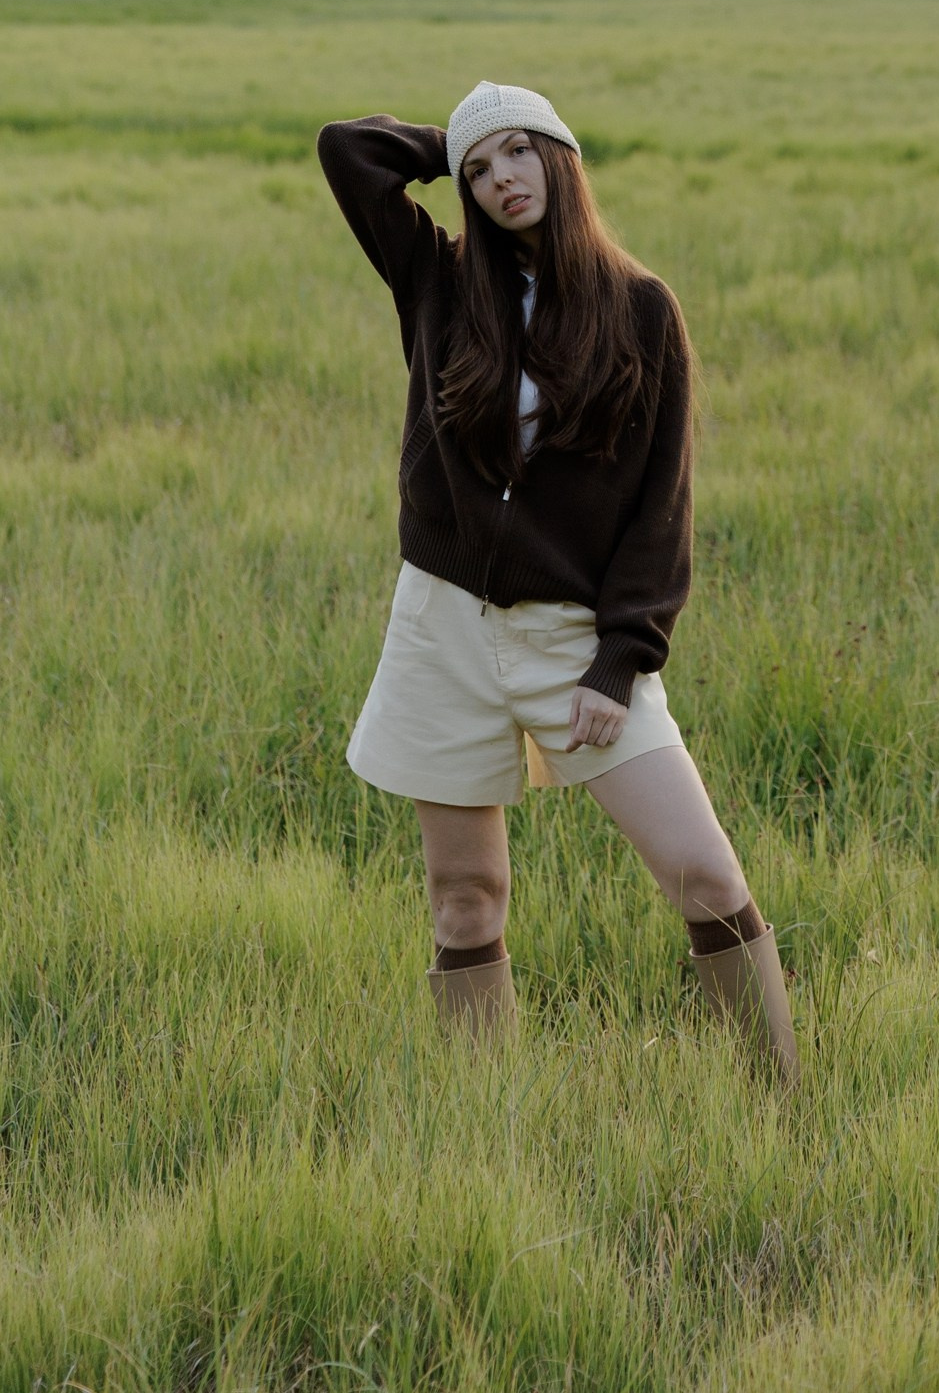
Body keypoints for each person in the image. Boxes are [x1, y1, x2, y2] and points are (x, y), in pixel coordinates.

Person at [317, 79, 795, 1076]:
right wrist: (462, 135)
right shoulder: (440, 283)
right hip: (440, 625)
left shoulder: (640, 310)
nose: (500, 180)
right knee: (464, 898)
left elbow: (661, 505)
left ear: (560, 161)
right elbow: (346, 151)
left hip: (574, 640)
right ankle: (487, 1124)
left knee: (703, 872)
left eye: (520, 154)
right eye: (481, 170)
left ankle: (779, 1102)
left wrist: (619, 662)